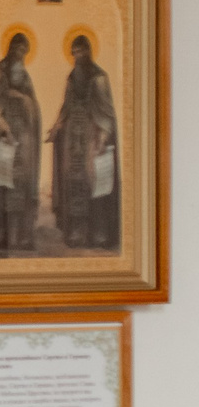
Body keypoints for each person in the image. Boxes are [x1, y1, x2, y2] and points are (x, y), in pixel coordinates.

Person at [49, 34, 120, 251]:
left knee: (94, 185)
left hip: (92, 136)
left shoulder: (99, 77)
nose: (77, 56)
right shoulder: (72, 77)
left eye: (81, 51)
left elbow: (106, 112)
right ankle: (76, 231)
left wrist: (102, 138)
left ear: (89, 51)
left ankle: (98, 233)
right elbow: (66, 105)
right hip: (72, 139)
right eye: (74, 53)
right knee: (74, 184)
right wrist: (57, 127)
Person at [0, 33, 42, 256]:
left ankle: (21, 235)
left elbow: (34, 107)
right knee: (2, 188)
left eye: (24, 52)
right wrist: (3, 127)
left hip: (22, 141)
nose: (20, 55)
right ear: (10, 49)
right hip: (3, 141)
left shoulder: (24, 77)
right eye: (17, 50)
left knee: (20, 188)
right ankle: (1, 233)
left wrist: (26, 103)